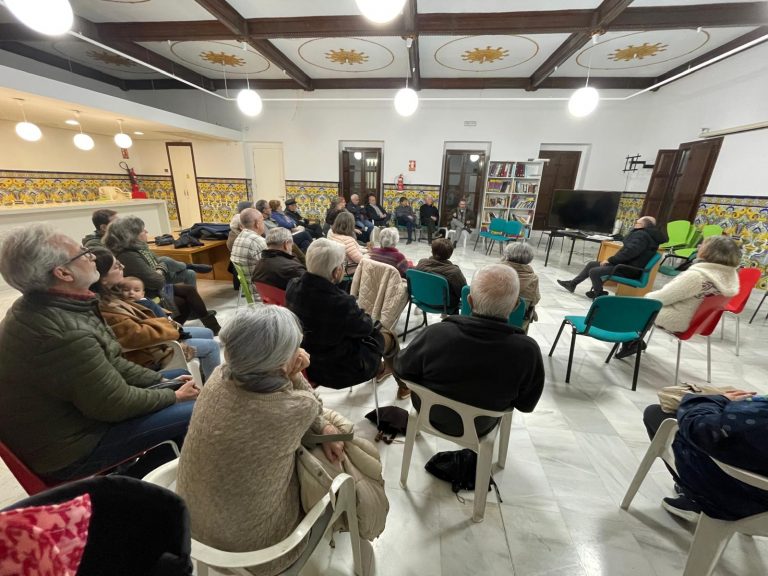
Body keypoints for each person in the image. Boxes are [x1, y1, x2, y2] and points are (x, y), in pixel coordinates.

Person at [0, 224, 199, 481]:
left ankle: (165, 469)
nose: (93, 256)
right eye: (83, 253)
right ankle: (141, 484)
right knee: (195, 411)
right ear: (63, 273)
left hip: (77, 421)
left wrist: (161, 380)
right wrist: (174, 397)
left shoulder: (55, 305)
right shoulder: (62, 334)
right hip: (72, 450)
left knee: (177, 378)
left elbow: (113, 362)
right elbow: (114, 404)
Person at [176, 306, 349, 576]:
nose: (300, 352)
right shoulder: (292, 407)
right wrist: (295, 375)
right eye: (295, 347)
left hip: (191, 527)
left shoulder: (218, 377)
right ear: (280, 362)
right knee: (341, 463)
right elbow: (312, 406)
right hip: (257, 551)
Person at [394, 264, 544, 437]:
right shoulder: (527, 351)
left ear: (470, 301)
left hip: (429, 414)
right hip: (481, 426)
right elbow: (526, 405)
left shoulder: (435, 334)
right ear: (516, 305)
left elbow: (401, 369)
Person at [286, 239, 408, 398]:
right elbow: (366, 328)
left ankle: (382, 369)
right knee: (390, 336)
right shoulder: (340, 303)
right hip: (341, 371)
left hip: (308, 365)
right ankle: (403, 385)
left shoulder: (293, 286)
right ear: (336, 272)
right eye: (343, 264)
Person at [91, 252, 221, 382]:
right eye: (117, 266)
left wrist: (165, 320)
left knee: (207, 332)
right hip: (153, 350)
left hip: (158, 336)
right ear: (103, 278)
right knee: (212, 346)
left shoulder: (114, 293)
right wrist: (168, 324)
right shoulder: (106, 305)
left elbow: (144, 312)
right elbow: (137, 334)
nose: (123, 266)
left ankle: (203, 378)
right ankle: (212, 388)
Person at [641, 392, 768, 523]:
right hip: (756, 488)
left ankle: (696, 499)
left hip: (741, 496)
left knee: (655, 414)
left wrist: (716, 399)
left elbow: (698, 427)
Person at [615, 235, 741, 359]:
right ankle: (634, 341)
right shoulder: (730, 277)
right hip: (699, 321)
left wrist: (643, 299)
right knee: (643, 306)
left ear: (710, 252)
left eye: (703, 245)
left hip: (678, 319)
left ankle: (631, 342)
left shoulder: (697, 276)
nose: (698, 247)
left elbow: (659, 298)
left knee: (633, 306)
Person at [104, 216, 220, 332]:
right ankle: (173, 331)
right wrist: (161, 268)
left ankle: (213, 327)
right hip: (145, 295)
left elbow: (158, 266)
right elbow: (157, 281)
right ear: (133, 236)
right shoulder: (128, 255)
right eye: (143, 230)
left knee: (188, 289)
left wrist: (160, 268)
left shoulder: (139, 249)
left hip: (153, 289)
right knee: (184, 302)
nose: (146, 232)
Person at [83, 208, 200, 285]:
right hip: (135, 283)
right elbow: (154, 280)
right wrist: (161, 267)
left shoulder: (130, 244)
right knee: (166, 262)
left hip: (148, 273)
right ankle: (187, 266)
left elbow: (151, 259)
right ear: (104, 227)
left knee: (171, 263)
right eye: (115, 222)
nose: (120, 224)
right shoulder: (99, 245)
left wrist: (160, 265)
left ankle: (187, 266)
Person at [557, 215, 665, 299]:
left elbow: (629, 252)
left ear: (642, 225)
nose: (635, 224)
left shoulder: (642, 235)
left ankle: (599, 295)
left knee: (594, 271)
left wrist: (610, 260)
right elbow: (630, 251)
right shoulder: (648, 235)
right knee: (591, 264)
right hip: (628, 266)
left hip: (628, 269)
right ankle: (572, 284)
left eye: (637, 222)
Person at [415, 238, 467, 314]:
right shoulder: (454, 272)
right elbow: (463, 292)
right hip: (444, 306)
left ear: (432, 251)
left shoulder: (421, 263)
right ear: (450, 255)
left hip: (421, 300)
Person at [501, 242, 541, 333]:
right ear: (529, 259)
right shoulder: (533, 279)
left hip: (490, 320)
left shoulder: (492, 271)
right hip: (517, 325)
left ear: (507, 255)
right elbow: (535, 299)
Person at [230, 207, 267, 280]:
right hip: (258, 285)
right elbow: (271, 268)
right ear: (257, 224)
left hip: (246, 285)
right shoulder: (258, 241)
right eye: (263, 221)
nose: (264, 223)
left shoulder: (239, 237)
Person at [327, 211, 366, 278]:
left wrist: (366, 250)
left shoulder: (330, 233)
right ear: (350, 225)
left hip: (334, 268)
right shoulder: (347, 240)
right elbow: (360, 259)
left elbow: (353, 249)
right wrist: (371, 256)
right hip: (348, 271)